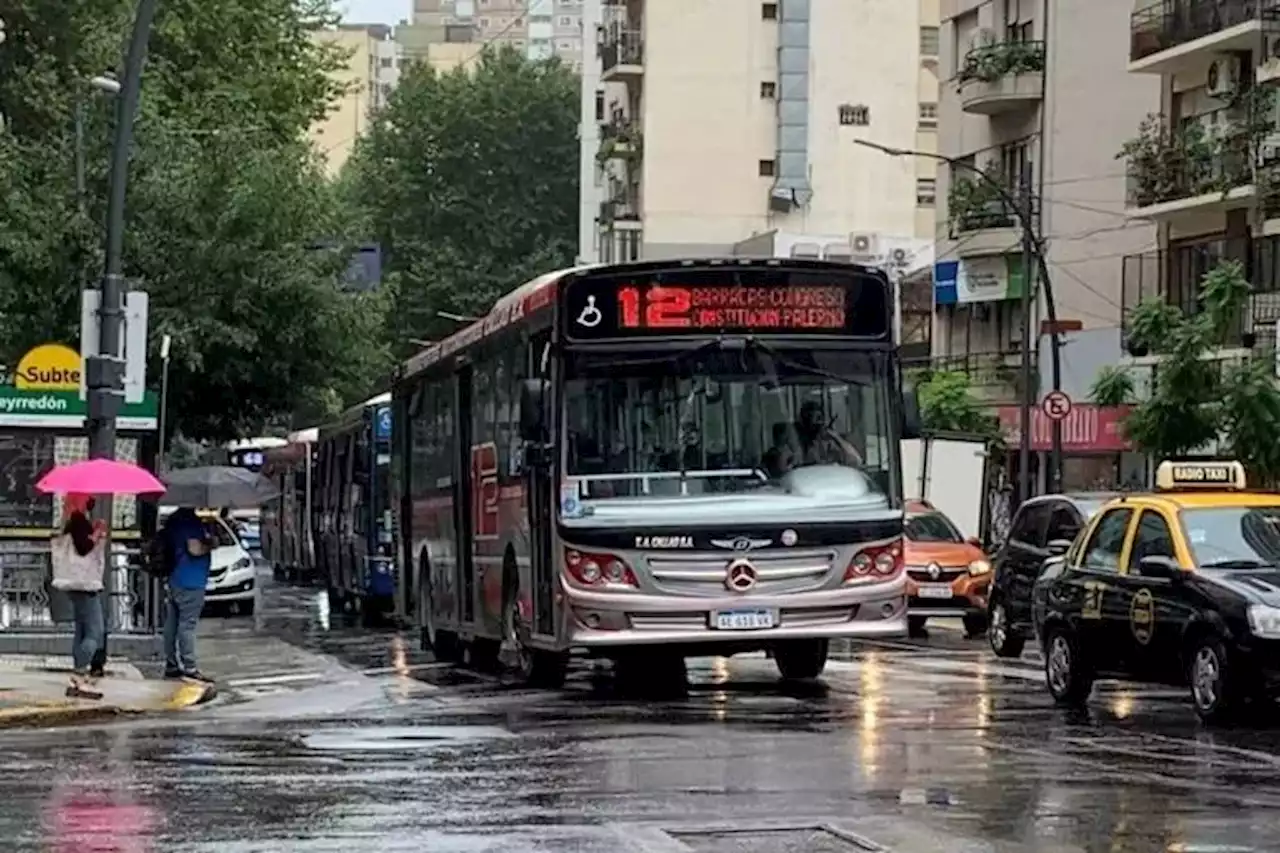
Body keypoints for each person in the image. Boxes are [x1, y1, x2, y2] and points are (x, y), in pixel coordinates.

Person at [50, 493, 107, 699]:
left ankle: (78, 674)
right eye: (88, 498)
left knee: (81, 630)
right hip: (85, 585)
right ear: (80, 500)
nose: (92, 500)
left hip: (74, 583)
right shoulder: (78, 520)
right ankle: (79, 673)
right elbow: (84, 548)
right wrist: (98, 533)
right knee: (95, 631)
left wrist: (94, 532)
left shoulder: (71, 520)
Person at [160, 507, 213, 681]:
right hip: (192, 580)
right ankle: (190, 666)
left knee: (172, 624)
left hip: (175, 578)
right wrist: (211, 544)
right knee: (187, 625)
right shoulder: (190, 522)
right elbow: (194, 549)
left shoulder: (173, 520)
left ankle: (171, 663)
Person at [795, 400, 864, 467]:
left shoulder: (828, 444)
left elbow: (856, 461)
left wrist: (836, 437)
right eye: (814, 418)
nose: (819, 423)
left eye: (820, 418)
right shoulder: (797, 443)